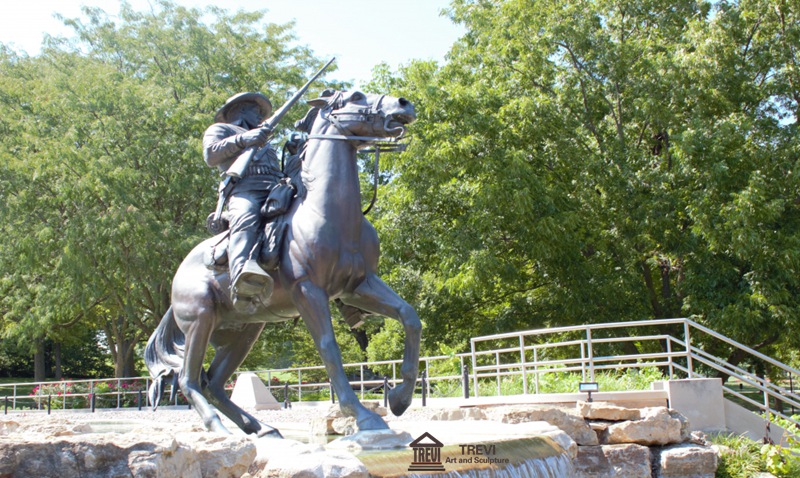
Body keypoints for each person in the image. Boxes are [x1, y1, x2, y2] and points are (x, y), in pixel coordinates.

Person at [203, 92, 282, 312]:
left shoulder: (264, 137)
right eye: (255, 111)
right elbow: (211, 155)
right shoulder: (221, 130)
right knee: (246, 218)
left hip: (278, 189)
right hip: (246, 190)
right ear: (239, 110)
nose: (260, 116)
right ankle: (241, 282)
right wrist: (244, 139)